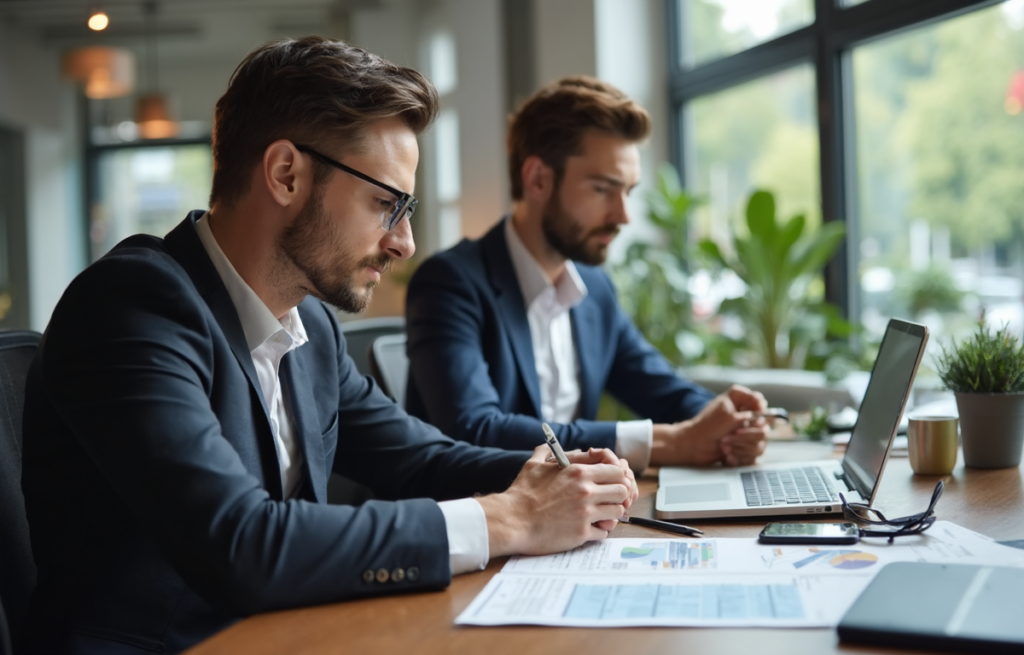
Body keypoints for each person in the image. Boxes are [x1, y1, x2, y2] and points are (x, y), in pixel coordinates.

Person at [20, 39, 637, 654]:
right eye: (386, 203)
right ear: (286, 173)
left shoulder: (306, 326)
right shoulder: (132, 304)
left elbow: (417, 458)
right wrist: (513, 518)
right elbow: (240, 542)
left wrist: (566, 476)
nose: (406, 243)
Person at [405, 76, 770, 474]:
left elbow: (658, 386)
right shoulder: (450, 283)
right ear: (538, 179)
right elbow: (475, 429)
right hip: (485, 521)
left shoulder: (594, 289)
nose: (623, 215)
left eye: (627, 191)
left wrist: (727, 423)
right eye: (602, 189)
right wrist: (667, 442)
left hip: (581, 518)